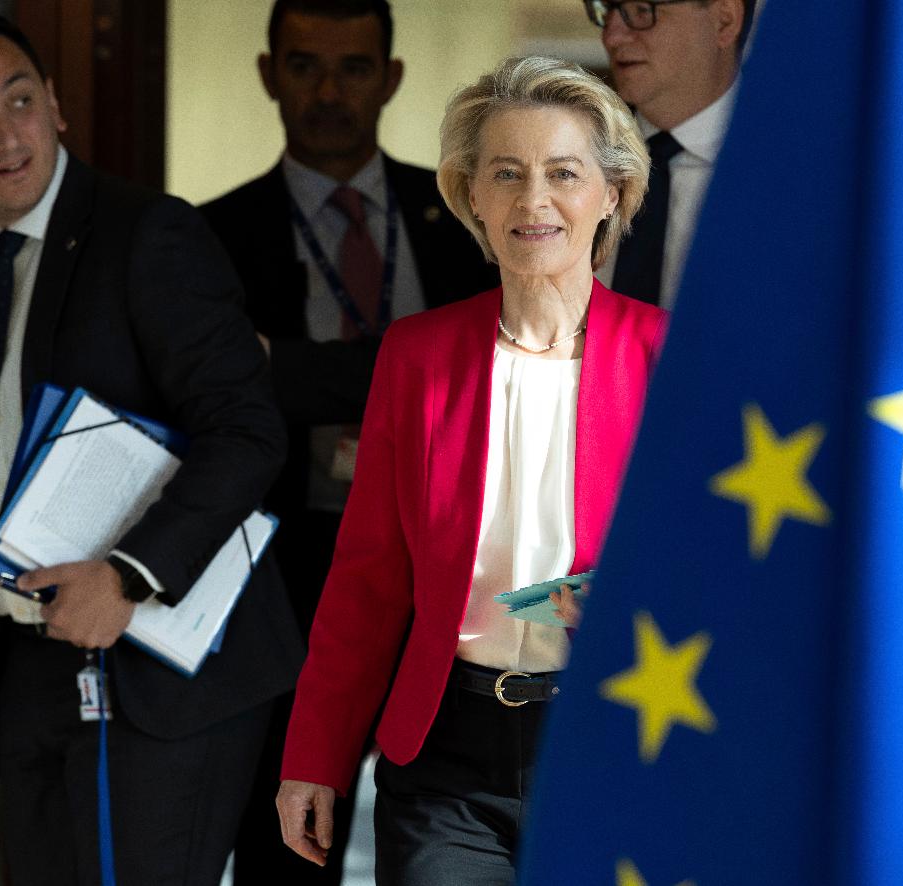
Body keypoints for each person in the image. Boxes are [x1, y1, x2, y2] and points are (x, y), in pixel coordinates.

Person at [0, 10, 303, 885]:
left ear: (55, 103)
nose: (4, 134)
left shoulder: (146, 234)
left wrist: (127, 575)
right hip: (26, 663)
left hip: (163, 664)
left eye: (18, 100)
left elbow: (246, 430)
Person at [275, 55, 665, 884]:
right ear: (472, 198)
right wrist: (313, 754)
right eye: (506, 174)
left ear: (611, 193)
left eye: (563, 173)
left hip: (617, 738)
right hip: (447, 757)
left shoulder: (675, 359)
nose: (533, 200)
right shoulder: (417, 357)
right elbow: (369, 577)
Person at [200, 0, 495, 879]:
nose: (328, 91)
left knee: (448, 842)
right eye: (303, 66)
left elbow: (486, 370)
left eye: (354, 68)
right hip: (281, 575)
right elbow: (219, 401)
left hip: (446, 565)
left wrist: (283, 368)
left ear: (391, 80)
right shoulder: (208, 237)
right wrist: (409, 366)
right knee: (289, 849)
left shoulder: (473, 217)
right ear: (267, 75)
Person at [585, 0, 756, 307]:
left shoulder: (804, 179)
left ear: (724, 21)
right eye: (607, 10)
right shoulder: (567, 161)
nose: (611, 37)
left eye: (641, 11)